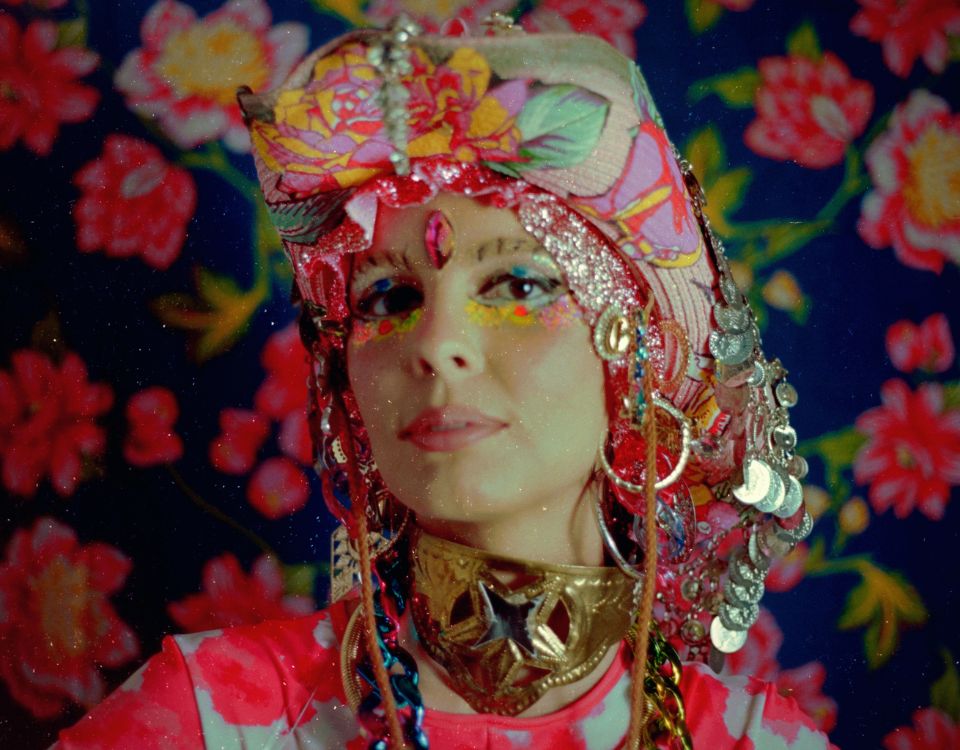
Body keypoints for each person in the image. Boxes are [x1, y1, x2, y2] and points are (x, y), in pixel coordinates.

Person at [55, 17, 832, 750]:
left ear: (638, 354)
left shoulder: (752, 739)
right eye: (388, 299)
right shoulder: (208, 719)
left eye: (518, 287)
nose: (436, 345)